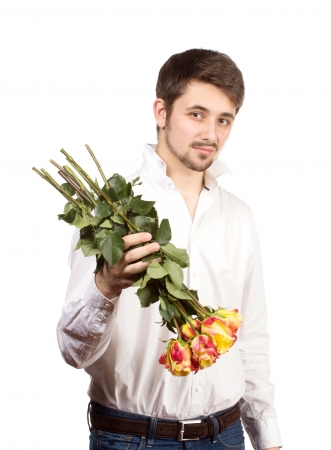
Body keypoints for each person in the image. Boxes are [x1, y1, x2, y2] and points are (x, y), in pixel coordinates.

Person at [57, 49, 282, 450]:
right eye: (196, 114)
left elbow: (251, 340)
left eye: (224, 120)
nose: (211, 134)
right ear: (161, 112)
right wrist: (105, 287)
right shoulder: (106, 212)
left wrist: (268, 439)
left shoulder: (239, 216)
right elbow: (73, 351)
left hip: (226, 437)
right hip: (131, 438)